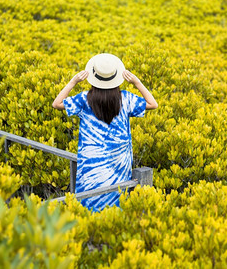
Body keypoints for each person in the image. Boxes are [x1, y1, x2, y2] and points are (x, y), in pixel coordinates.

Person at [52, 53, 158, 211]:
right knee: (115, 210)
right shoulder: (126, 99)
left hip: (90, 166)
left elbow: (57, 103)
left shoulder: (84, 100)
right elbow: (153, 104)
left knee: (88, 207)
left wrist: (73, 81)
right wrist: (137, 82)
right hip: (118, 165)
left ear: (94, 78)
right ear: (116, 78)